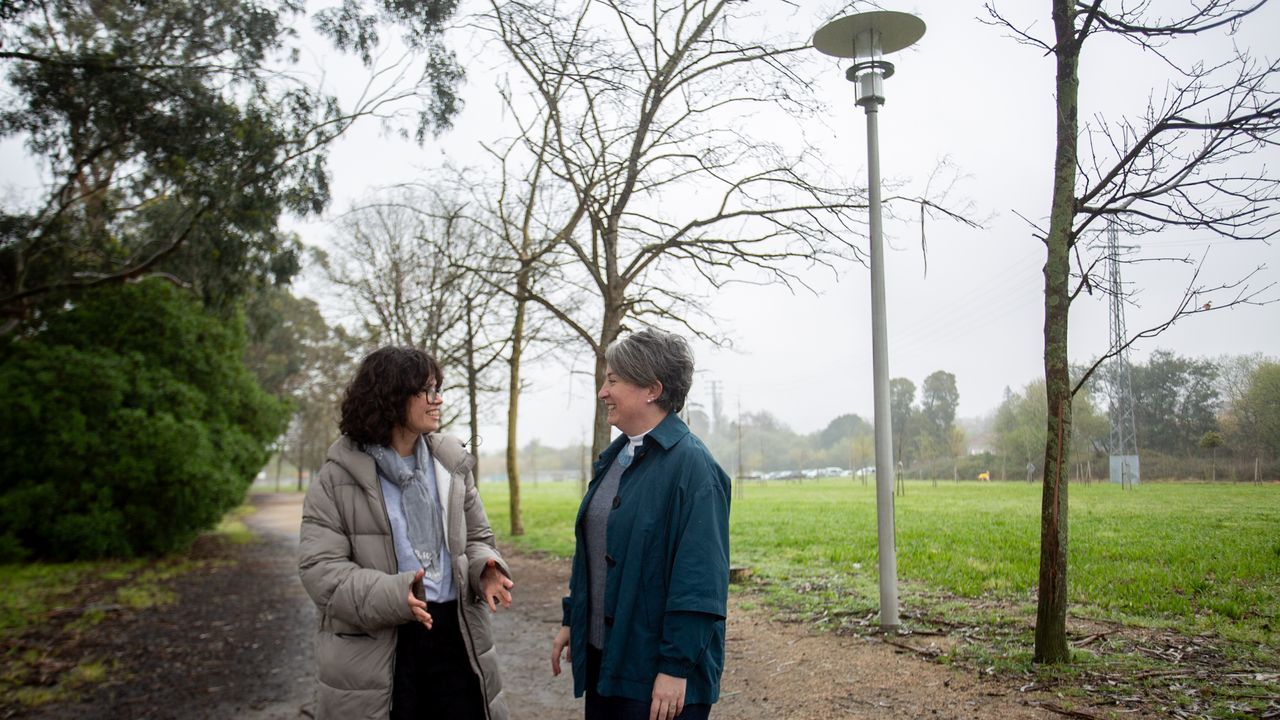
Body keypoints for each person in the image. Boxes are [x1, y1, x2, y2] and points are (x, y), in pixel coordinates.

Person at [299, 346, 514, 720]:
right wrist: (397, 595)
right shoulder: (336, 477)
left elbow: (478, 538)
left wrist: (486, 568)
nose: (439, 400)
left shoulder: (452, 464)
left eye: (439, 389)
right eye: (427, 390)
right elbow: (321, 572)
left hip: (456, 636)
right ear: (393, 397)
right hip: (380, 647)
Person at [551, 329, 732, 720]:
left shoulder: (695, 469)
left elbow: (700, 582)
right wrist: (575, 620)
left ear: (652, 389)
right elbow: (596, 549)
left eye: (613, 380)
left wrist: (675, 667)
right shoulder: (616, 459)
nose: (603, 392)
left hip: (657, 679)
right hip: (609, 661)